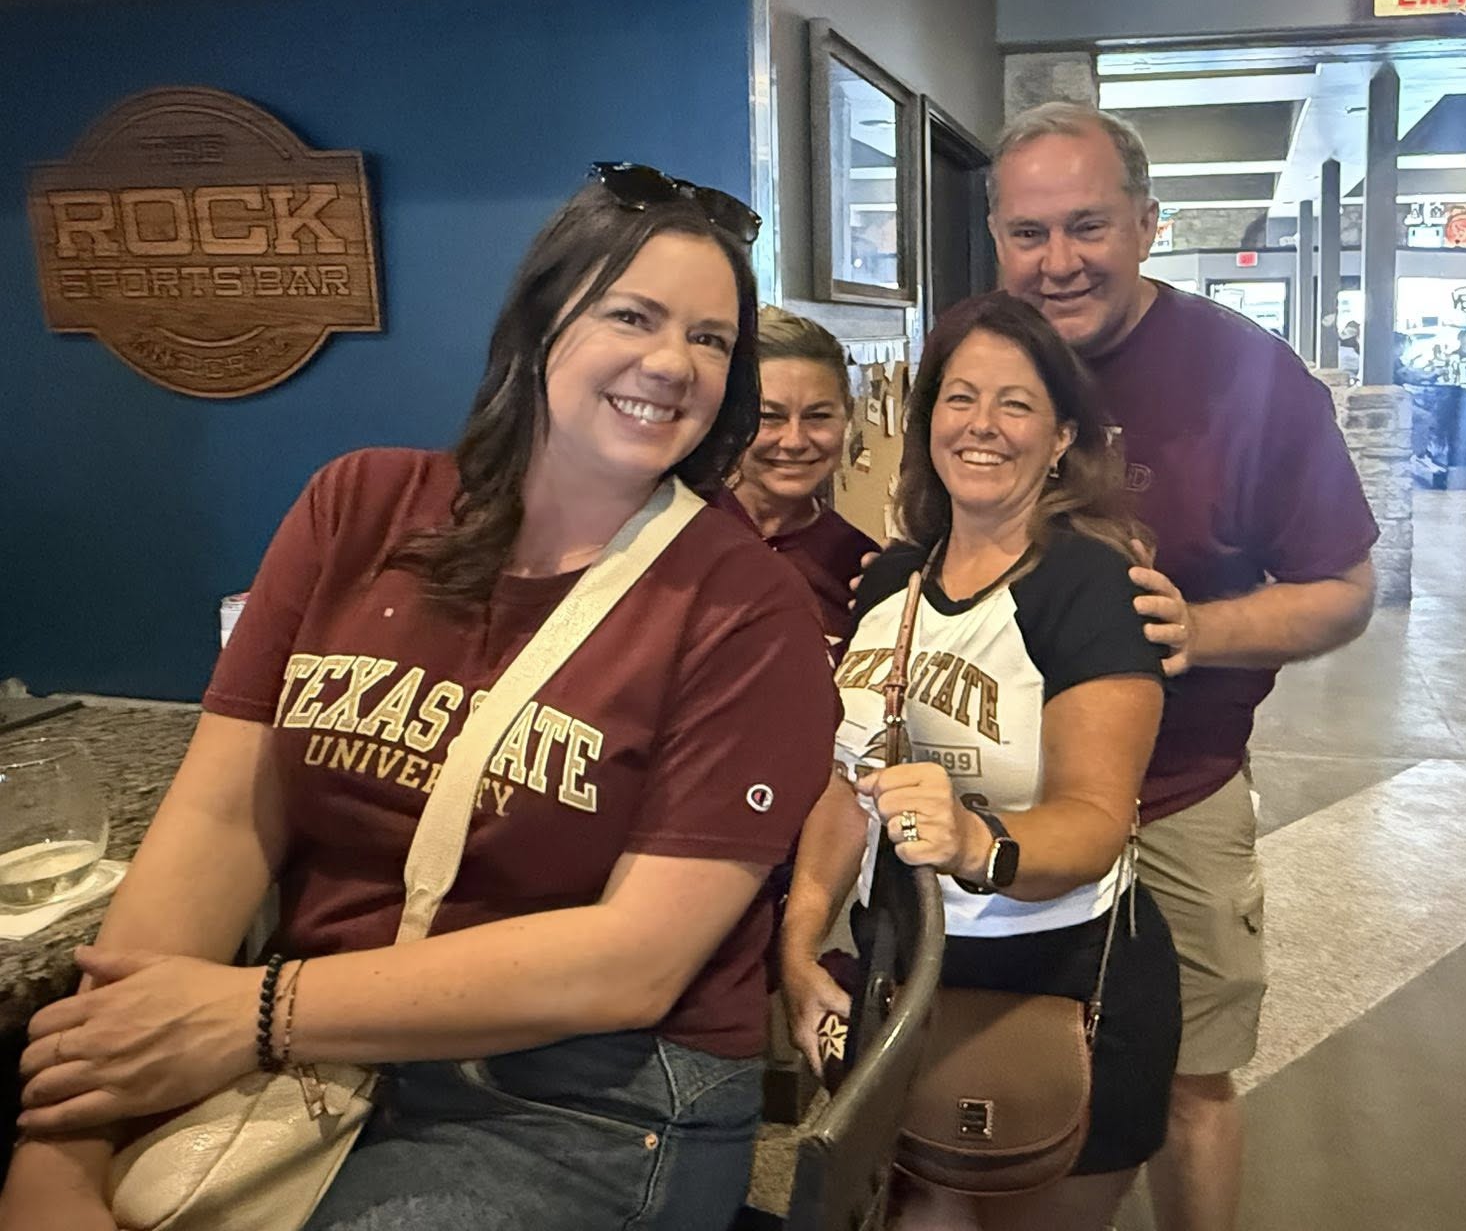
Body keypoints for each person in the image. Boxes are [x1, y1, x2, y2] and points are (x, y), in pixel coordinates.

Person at [1, 164, 842, 1231]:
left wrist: (256, 1013)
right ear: (541, 324)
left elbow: (631, 964)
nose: (672, 363)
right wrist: (69, 1136)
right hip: (319, 1054)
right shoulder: (358, 506)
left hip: (589, 1093)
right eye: (632, 315)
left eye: (712, 340)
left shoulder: (745, 607)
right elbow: (221, 820)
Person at [984, 102, 1380, 1231]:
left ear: (1147, 225)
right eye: (1027, 233)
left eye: (1087, 226)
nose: (1057, 263)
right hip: (993, 783)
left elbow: (1347, 590)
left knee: (1190, 1073)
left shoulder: (1250, 378)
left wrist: (1201, 633)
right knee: (989, 1052)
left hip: (1178, 789)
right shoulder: (970, 357)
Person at [780, 292, 1180, 1231]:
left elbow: (1092, 819)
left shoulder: (1092, 587)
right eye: (960, 399)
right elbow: (848, 786)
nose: (983, 427)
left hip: (1060, 978)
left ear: (1060, 437)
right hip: (907, 965)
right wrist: (801, 944)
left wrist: (974, 839)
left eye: (1016, 404)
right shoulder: (890, 579)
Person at [714, 305, 878, 647]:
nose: (795, 441)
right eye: (769, 416)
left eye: (818, 416)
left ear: (847, 416)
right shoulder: (678, 528)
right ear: (730, 418)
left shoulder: (860, 567)